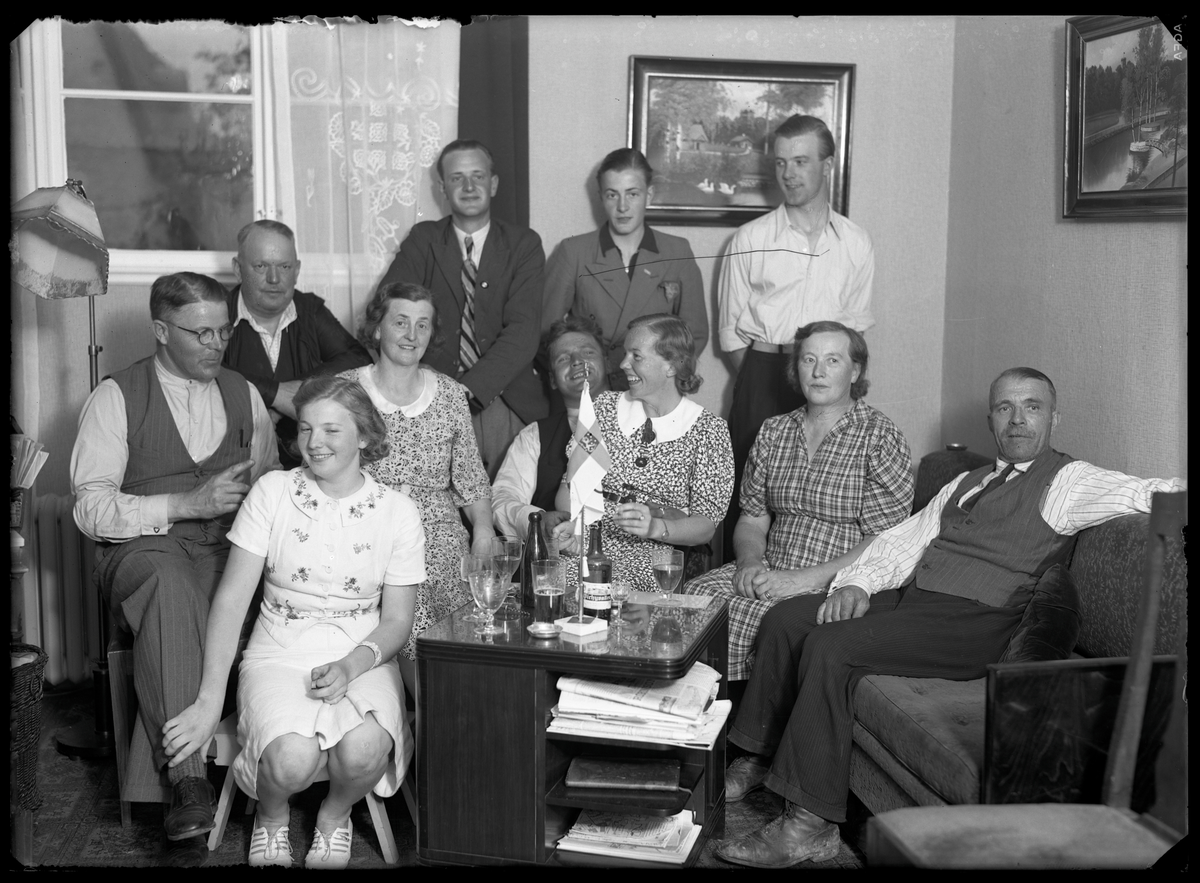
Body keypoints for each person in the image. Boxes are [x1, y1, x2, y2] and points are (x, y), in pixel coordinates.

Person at [714, 367, 1187, 869]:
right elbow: (905, 541)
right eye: (1005, 407)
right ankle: (761, 753)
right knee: (787, 618)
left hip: (981, 621)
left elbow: (1155, 492)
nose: (1018, 419)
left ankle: (810, 827)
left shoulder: (1071, 481)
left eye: (1032, 407)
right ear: (990, 419)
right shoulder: (967, 480)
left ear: (1054, 418)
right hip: (919, 599)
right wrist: (857, 583)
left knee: (832, 647)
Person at [161, 376, 423, 869]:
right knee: (291, 760)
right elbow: (231, 600)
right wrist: (209, 702)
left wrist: (350, 666)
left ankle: (334, 816)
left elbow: (396, 622)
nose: (314, 443)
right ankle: (272, 816)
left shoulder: (399, 512)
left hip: (363, 653)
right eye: (305, 428)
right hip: (278, 650)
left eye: (331, 430)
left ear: (365, 436)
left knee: (365, 750)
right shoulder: (273, 491)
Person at [70, 272, 280, 867]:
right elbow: (89, 508)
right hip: (140, 552)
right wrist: (185, 505)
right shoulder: (116, 395)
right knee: (171, 589)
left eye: (224, 331)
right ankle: (189, 778)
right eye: (200, 333)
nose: (216, 344)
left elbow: (273, 486)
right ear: (161, 331)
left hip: (224, 550)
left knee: (282, 596)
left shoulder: (244, 394)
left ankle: (283, 763)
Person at [683, 321, 913, 681]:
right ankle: (707, 708)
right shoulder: (774, 431)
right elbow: (752, 519)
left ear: (855, 371)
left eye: (833, 360)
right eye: (808, 359)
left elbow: (883, 541)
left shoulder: (880, 437)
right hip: (771, 567)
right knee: (693, 597)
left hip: (835, 579)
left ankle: (744, 705)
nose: (818, 372)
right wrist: (749, 562)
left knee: (773, 619)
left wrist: (799, 580)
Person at [718, 114, 875, 561]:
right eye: (781, 162)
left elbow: (855, 334)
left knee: (825, 493)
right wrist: (773, 372)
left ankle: (808, 585)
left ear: (828, 164)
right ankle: (738, 584)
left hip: (828, 378)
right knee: (747, 498)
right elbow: (731, 334)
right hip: (764, 372)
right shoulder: (749, 238)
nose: (788, 173)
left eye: (801, 161)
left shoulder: (855, 242)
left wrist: (822, 378)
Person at [341, 282, 495, 688]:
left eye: (422, 325)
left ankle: (443, 702)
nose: (412, 335)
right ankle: (427, 705)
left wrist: (482, 530)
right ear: (377, 328)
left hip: (439, 530)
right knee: (405, 588)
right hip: (366, 523)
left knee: (451, 584)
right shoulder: (346, 392)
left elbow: (471, 479)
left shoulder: (451, 395)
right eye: (401, 322)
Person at [377, 139, 548, 479]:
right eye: (457, 178)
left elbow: (523, 332)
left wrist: (467, 390)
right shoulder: (424, 239)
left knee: (505, 493)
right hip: (431, 393)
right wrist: (432, 388)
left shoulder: (523, 244)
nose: (469, 187)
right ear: (443, 188)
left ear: (493, 184)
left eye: (477, 176)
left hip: (504, 394)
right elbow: (387, 311)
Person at [551, 314, 734, 594]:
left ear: (671, 365)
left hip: (655, 558)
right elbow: (570, 486)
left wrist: (654, 528)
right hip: (588, 546)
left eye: (636, 356)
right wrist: (575, 528)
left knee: (617, 602)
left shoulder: (708, 431)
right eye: (626, 354)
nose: (623, 364)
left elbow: (705, 526)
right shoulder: (604, 408)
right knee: (552, 591)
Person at [542, 148, 708, 391]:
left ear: (649, 195)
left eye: (632, 194)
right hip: (591, 389)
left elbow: (694, 335)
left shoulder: (677, 251)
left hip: (652, 390)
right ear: (601, 197)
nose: (622, 206)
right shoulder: (573, 252)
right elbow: (546, 333)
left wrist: (667, 379)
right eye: (612, 195)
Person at [223, 219, 373, 468]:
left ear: (297, 270)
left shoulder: (310, 310)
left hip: (309, 466)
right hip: (237, 464)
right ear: (238, 269)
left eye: (284, 266)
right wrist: (275, 393)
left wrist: (292, 397)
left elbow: (358, 358)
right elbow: (205, 370)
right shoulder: (218, 312)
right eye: (261, 266)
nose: (274, 278)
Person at [491, 315, 610, 538]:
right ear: (553, 380)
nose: (577, 361)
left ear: (607, 362)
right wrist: (537, 520)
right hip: (559, 554)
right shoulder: (534, 436)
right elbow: (503, 497)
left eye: (587, 353)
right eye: (563, 358)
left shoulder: (644, 421)